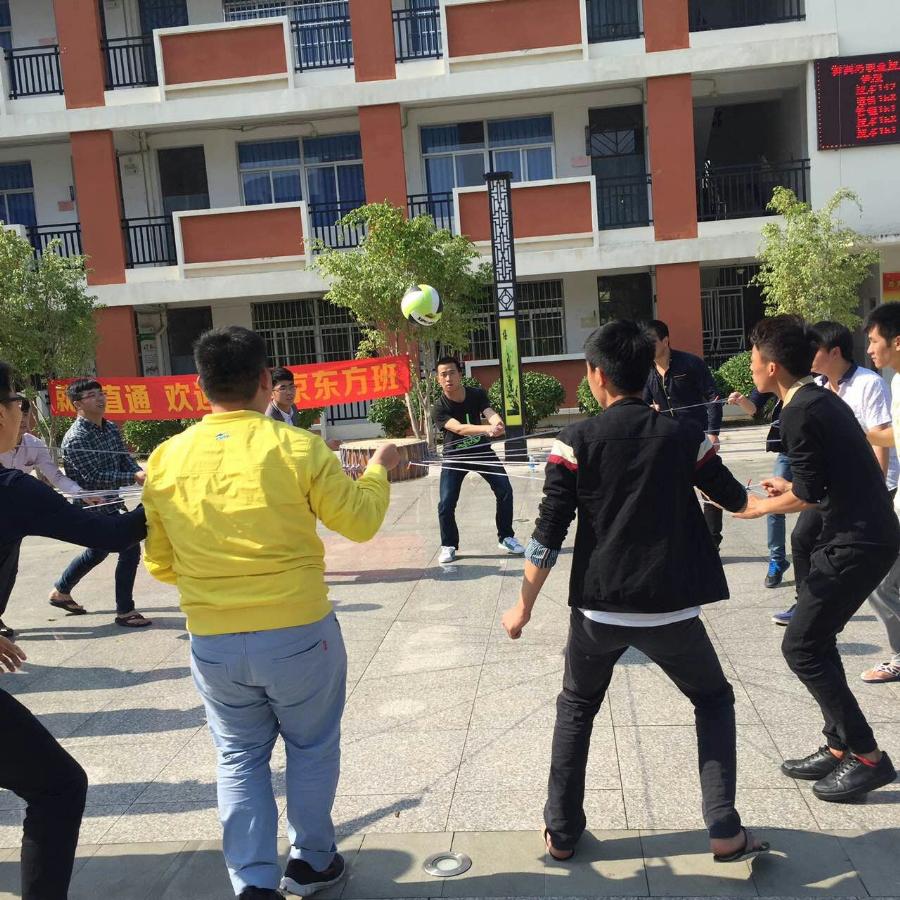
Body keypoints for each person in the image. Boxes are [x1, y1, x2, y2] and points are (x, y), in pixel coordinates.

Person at [141, 326, 399, 900]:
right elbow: (360, 522)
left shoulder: (166, 458)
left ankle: (254, 881)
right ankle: (311, 861)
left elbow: (159, 562)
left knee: (238, 756)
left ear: (199, 385)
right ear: (264, 380)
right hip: (299, 633)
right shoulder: (298, 447)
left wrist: (216, 581)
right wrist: (379, 466)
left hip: (214, 640)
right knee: (311, 746)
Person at [501, 320, 766, 863]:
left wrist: (522, 606)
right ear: (647, 371)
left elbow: (548, 532)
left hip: (598, 610)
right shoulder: (684, 436)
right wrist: (798, 496)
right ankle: (723, 827)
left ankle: (562, 834)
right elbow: (736, 500)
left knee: (577, 707)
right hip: (672, 611)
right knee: (713, 700)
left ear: (596, 376)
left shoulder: (574, 441)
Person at [734, 315, 898, 802]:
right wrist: (789, 485)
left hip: (858, 541)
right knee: (816, 640)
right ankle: (838, 745)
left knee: (801, 646)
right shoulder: (815, 400)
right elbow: (820, 481)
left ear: (772, 366)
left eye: (753, 357)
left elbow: (809, 493)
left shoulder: (803, 409)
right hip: (857, 533)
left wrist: (760, 507)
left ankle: (867, 756)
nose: (750, 365)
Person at [0, 360, 147, 900]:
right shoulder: (11, 489)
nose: (24, 411)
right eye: (18, 402)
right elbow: (112, 534)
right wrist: (174, 489)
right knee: (58, 786)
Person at [771, 321, 900, 630]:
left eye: (814, 349)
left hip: (873, 488)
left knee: (880, 582)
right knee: (802, 537)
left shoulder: (869, 383)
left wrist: (878, 488)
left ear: (834, 352)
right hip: (835, 487)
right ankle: (806, 604)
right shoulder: (818, 388)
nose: (808, 355)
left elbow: (883, 439)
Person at [48, 379, 152, 627]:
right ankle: (125, 611)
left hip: (112, 502)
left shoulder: (110, 428)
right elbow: (93, 477)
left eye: (101, 393)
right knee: (129, 548)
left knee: (98, 551)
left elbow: (124, 460)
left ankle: (61, 591)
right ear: (77, 404)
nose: (100, 398)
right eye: (92, 395)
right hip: (91, 507)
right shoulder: (76, 438)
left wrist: (138, 473)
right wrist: (132, 477)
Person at [0, 399, 86, 639]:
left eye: (26, 414)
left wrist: (82, 494)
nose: (22, 419)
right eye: (17, 412)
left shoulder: (34, 445)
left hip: (14, 517)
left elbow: (55, 476)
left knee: (8, 570)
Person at [432, 356, 525, 564]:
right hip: (455, 456)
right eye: (443, 375)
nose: (448, 378)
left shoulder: (476, 394)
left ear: (460, 374)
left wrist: (497, 423)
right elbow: (459, 428)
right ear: (438, 379)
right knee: (446, 502)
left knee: (504, 489)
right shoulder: (438, 407)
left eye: (452, 373)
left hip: (481, 451)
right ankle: (448, 545)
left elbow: (489, 412)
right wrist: (486, 429)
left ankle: (506, 537)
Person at [643, 320, 725, 548]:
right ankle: (681, 543)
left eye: (651, 341)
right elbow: (641, 404)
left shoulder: (690, 363)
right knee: (672, 493)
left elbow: (713, 398)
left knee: (710, 491)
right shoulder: (645, 371)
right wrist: (648, 410)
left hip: (697, 437)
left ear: (665, 340)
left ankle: (712, 542)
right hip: (666, 440)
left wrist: (713, 433)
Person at [862, 303, 900, 684]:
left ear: (897, 342)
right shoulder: (896, 382)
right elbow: (893, 435)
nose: (870, 349)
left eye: (875, 341)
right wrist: (860, 433)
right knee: (882, 582)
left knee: (880, 581)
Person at [727, 388, 790, 589]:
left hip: (817, 452)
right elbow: (754, 408)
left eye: (754, 371)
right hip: (787, 452)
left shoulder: (815, 383)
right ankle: (777, 559)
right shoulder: (774, 382)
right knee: (774, 505)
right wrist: (742, 400)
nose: (753, 374)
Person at [266, 366, 340, 449]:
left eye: (292, 387)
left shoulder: (293, 407)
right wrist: (323, 445)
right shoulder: (269, 418)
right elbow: (288, 446)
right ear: (271, 393)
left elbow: (298, 436)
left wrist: (322, 443)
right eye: (283, 389)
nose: (289, 392)